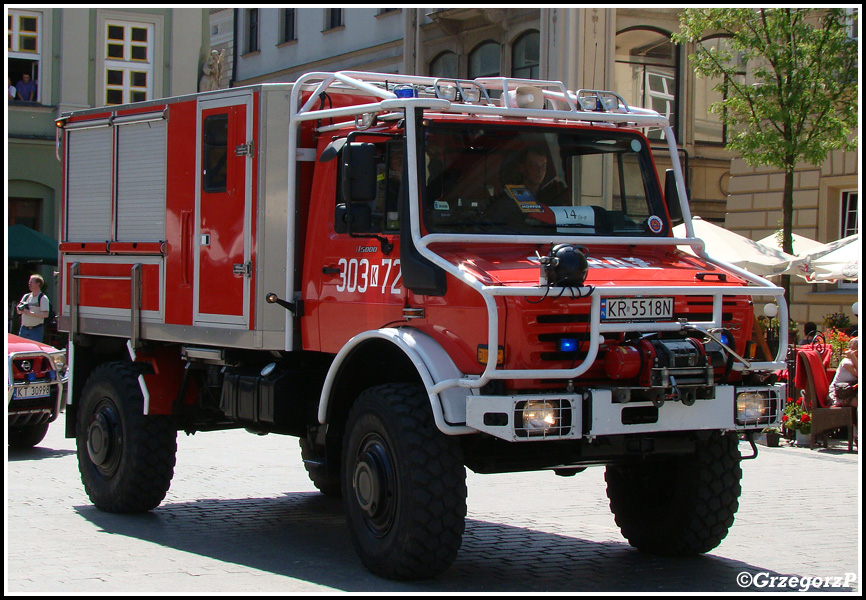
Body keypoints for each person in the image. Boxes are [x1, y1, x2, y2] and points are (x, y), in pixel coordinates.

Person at [16, 274, 50, 342]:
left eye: (31, 282)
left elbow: (45, 314)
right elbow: (18, 311)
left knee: (33, 351)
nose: (29, 284)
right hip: (23, 329)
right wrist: (20, 309)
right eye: (29, 282)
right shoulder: (26, 296)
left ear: (38, 284)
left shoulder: (43, 298)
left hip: (35, 330)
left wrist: (29, 313)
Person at [828, 337, 858, 407]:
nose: (850, 350)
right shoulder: (846, 362)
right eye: (850, 347)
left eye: (853, 348)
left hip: (851, 391)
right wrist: (853, 357)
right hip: (839, 393)